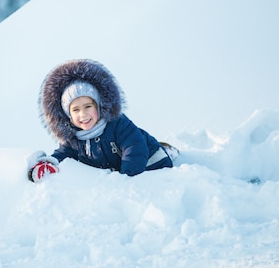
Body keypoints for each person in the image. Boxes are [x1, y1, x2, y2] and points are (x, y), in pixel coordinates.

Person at [27, 59, 177, 182]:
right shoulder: (73, 138)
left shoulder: (117, 124)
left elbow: (134, 147)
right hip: (120, 171)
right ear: (68, 115)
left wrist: (126, 177)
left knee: (149, 150)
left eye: (88, 106)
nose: (83, 114)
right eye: (76, 110)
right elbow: (63, 154)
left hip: (150, 164)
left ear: (99, 106)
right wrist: (49, 164)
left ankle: (168, 150)